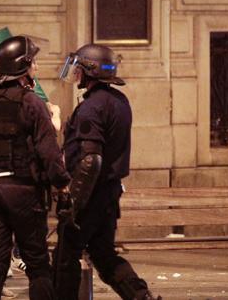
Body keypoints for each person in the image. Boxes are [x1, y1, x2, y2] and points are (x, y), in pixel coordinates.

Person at [0, 35, 70, 300]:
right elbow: (47, 149)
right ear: (24, 65)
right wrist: (63, 183)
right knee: (37, 265)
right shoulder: (30, 102)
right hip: (22, 191)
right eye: (35, 62)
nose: (38, 68)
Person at [53, 43, 161, 300]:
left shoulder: (92, 107)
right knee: (103, 253)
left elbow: (91, 161)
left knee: (66, 254)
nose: (76, 74)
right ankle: (140, 297)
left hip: (90, 194)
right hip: (109, 193)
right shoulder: (118, 101)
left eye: (79, 69)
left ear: (90, 71)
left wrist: (74, 204)